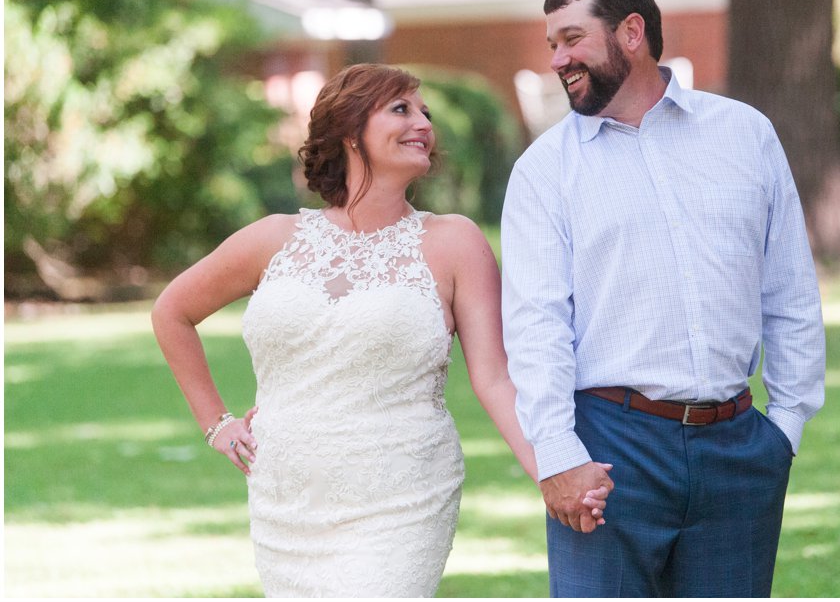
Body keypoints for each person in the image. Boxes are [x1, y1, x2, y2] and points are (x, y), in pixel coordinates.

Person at [152, 63, 606, 597]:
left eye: (425, 113)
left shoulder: (454, 243)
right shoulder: (272, 238)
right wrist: (217, 424)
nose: (424, 124)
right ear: (350, 131)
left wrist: (555, 471)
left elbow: (495, 379)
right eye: (401, 109)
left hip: (401, 500)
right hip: (286, 502)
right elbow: (172, 312)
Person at [501, 0, 826, 597]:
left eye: (572, 39)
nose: (558, 60)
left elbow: (789, 288)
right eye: (552, 45)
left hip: (739, 449)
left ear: (631, 32)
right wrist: (557, 453)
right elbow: (536, 326)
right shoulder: (544, 170)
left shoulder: (745, 134)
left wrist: (785, 425)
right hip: (608, 448)